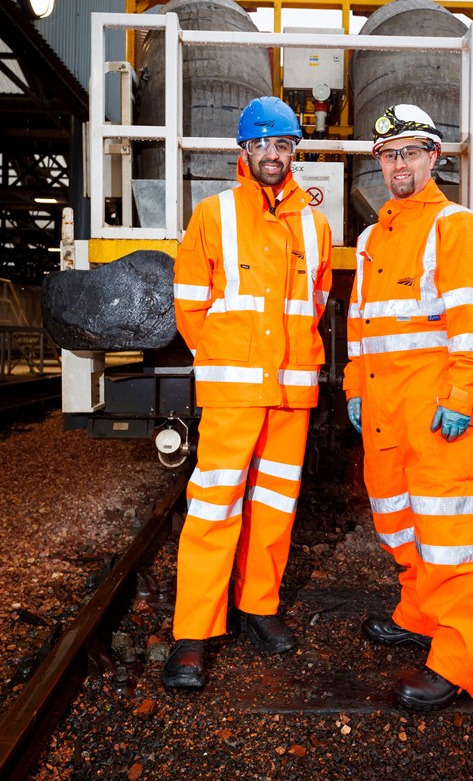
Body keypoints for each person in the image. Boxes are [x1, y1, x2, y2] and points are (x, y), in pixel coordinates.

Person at [163, 97, 332, 689]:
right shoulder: (212, 214)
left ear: (294, 152)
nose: (270, 155)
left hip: (290, 394)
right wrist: (222, 357)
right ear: (242, 152)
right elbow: (189, 304)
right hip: (234, 389)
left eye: (281, 145)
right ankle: (193, 632)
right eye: (259, 145)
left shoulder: (314, 223)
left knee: (275, 506)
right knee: (213, 506)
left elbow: (316, 304)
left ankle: (258, 606)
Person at [343, 104, 473, 710]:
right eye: (389, 154)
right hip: (384, 407)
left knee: (448, 536)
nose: (398, 164)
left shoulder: (459, 227)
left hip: (435, 408)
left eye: (410, 151)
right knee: (397, 523)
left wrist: (462, 391)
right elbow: (360, 325)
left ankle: (460, 660)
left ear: (435, 157)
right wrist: (356, 389)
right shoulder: (370, 239)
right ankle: (418, 612)